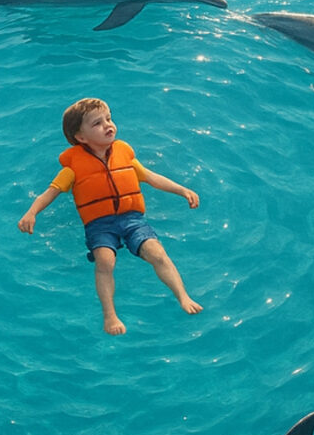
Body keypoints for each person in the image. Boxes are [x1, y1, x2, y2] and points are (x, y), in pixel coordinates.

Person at [18, 98, 203, 335]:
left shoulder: (124, 155)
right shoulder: (72, 168)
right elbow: (49, 193)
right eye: (97, 123)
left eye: (109, 118)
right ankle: (110, 315)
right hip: (100, 224)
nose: (108, 125)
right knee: (105, 261)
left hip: (132, 218)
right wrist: (31, 213)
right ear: (81, 137)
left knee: (157, 252)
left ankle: (183, 296)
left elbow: (151, 177)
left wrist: (182, 190)